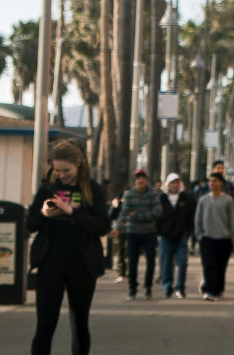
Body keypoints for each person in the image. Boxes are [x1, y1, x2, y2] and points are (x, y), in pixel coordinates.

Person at [27, 141, 111, 355]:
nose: (61, 174)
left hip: (81, 266)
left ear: (78, 165)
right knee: (45, 326)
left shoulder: (92, 189)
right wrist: (44, 214)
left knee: (79, 324)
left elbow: (103, 226)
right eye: (57, 170)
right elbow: (30, 224)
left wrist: (74, 212)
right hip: (50, 264)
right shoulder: (48, 187)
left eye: (66, 170)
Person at [115, 169, 162, 300]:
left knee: (151, 260)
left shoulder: (152, 194)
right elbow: (124, 213)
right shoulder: (130, 195)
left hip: (149, 233)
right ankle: (132, 288)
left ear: (146, 180)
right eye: (138, 178)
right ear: (135, 181)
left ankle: (147, 287)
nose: (140, 180)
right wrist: (117, 227)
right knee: (132, 261)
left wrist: (137, 216)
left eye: (143, 178)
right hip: (133, 232)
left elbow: (157, 212)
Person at [194, 172, 234, 301]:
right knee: (209, 265)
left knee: (221, 267)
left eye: (215, 181)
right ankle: (211, 291)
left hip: (223, 239)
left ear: (221, 183)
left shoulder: (228, 200)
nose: (212, 183)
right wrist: (200, 236)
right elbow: (198, 220)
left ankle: (219, 290)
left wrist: (232, 239)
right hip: (207, 239)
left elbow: (231, 222)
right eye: (210, 181)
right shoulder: (203, 200)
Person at [156, 173, 195, 299]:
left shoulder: (186, 199)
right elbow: (157, 217)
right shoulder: (162, 199)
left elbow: (191, 216)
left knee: (182, 262)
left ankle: (180, 288)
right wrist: (160, 231)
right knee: (166, 263)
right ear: (168, 184)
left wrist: (186, 230)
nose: (175, 185)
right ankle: (167, 287)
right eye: (173, 183)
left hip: (181, 236)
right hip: (165, 237)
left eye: (177, 182)